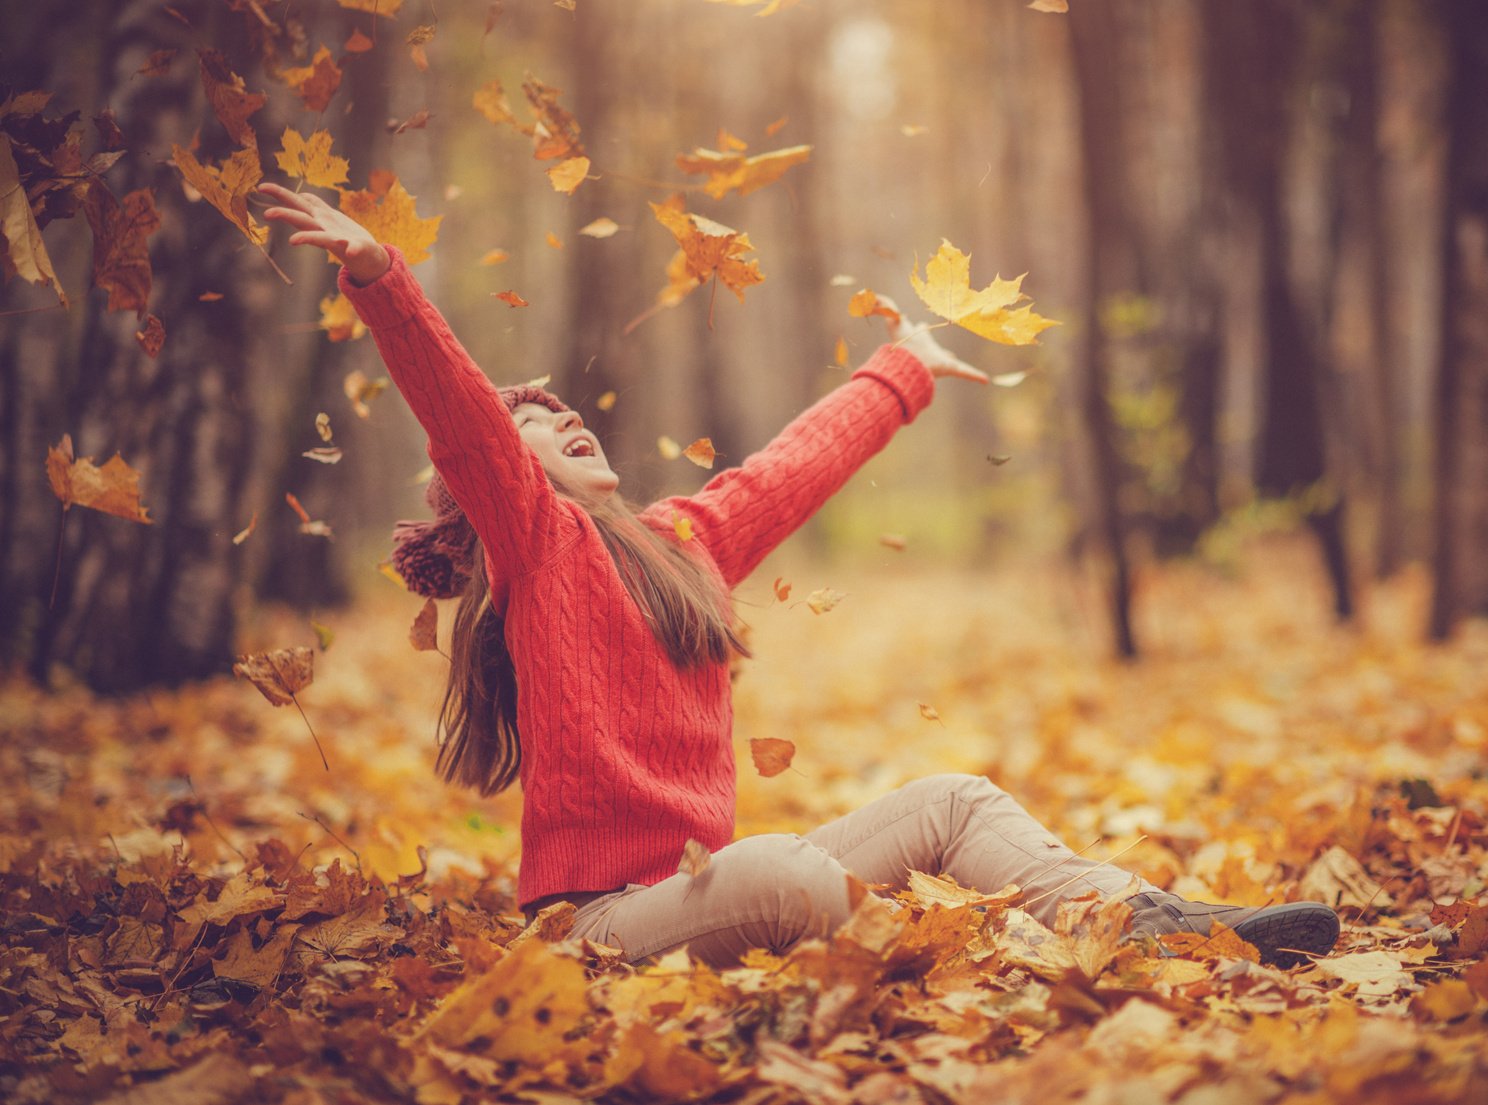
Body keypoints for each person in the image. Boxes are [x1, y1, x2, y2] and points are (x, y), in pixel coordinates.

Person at [257, 182, 1341, 970]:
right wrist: (379, 278)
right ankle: (959, 948)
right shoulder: (533, 542)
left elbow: (795, 465)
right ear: (501, 476)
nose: (566, 420)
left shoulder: (685, 541)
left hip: (712, 886)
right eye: (535, 424)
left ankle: (1151, 919)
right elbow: (459, 414)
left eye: (568, 409)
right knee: (790, 875)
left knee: (953, 800)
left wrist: (903, 367)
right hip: (602, 923)